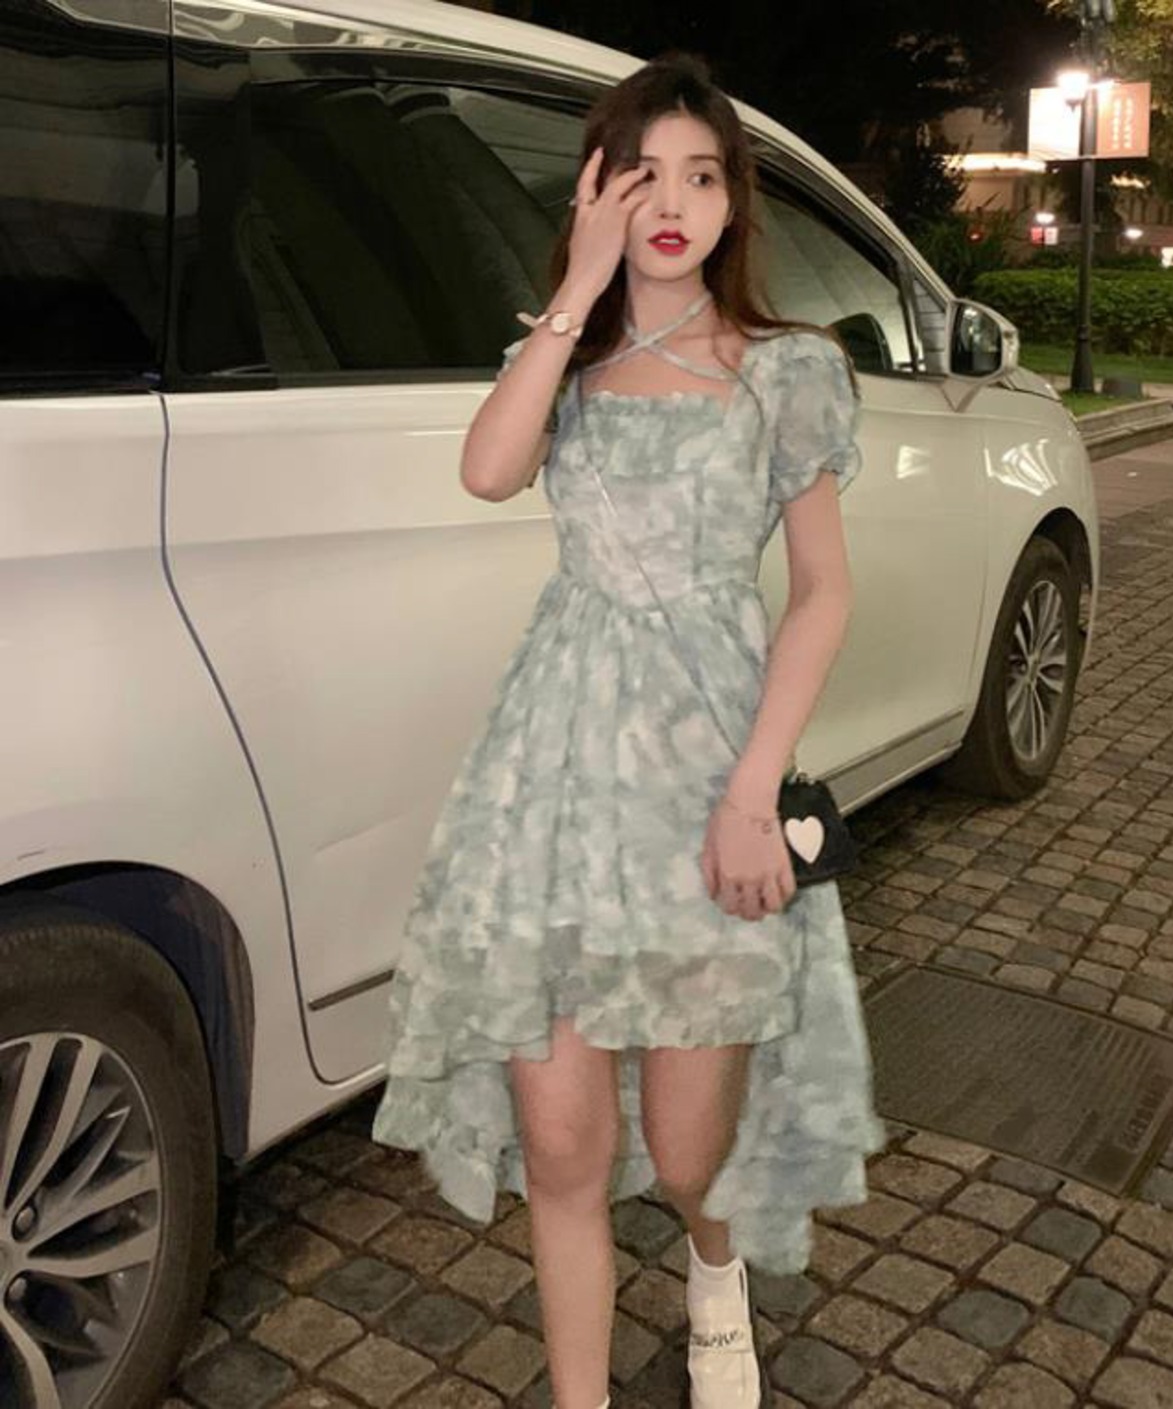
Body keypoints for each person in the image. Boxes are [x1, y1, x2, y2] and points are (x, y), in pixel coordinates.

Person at [374, 53, 882, 1409]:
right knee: (562, 1146)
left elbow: (823, 592)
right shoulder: (565, 361)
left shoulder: (786, 372)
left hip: (713, 770)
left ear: (734, 204)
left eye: (702, 177)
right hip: (550, 780)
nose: (673, 203)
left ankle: (715, 1270)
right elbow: (488, 470)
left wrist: (754, 791)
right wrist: (576, 292)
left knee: (689, 1144)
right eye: (642, 175)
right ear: (596, 191)